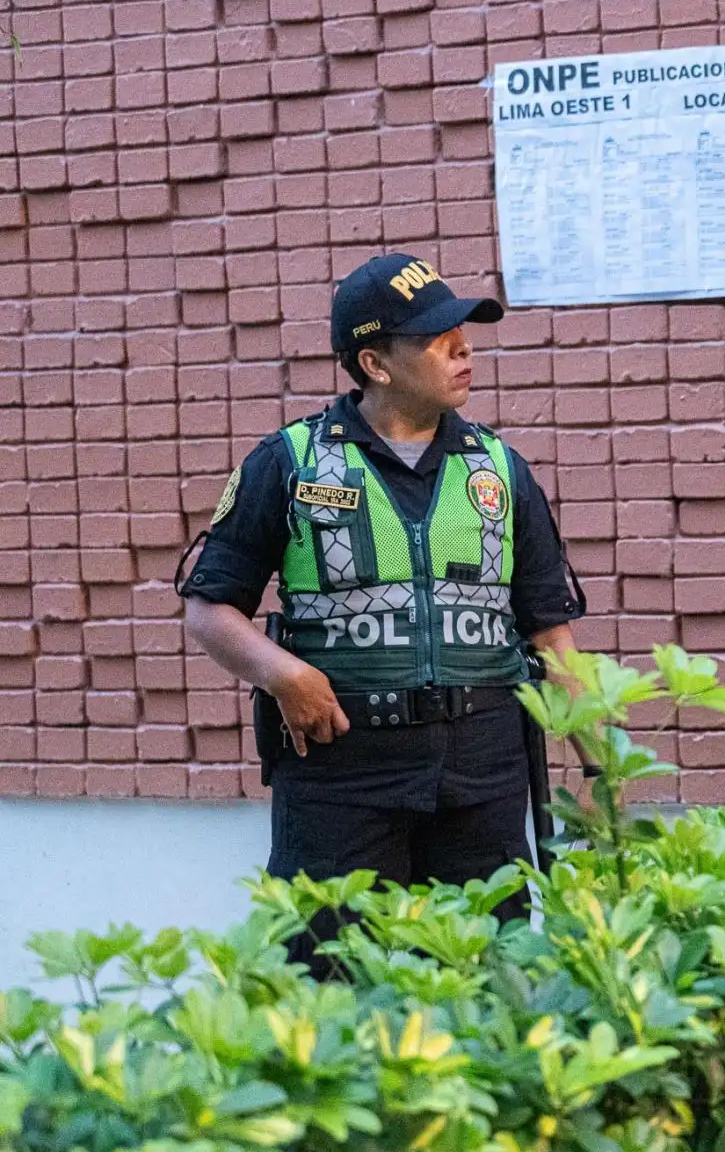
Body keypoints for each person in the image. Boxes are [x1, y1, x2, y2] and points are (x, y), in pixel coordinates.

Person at [177, 253, 584, 953]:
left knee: (486, 985)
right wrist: (286, 676)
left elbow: (551, 635)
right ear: (375, 363)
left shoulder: (501, 469)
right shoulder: (291, 463)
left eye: (461, 330)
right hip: (342, 779)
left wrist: (605, 770)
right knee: (329, 983)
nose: (462, 348)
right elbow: (209, 610)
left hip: (483, 779)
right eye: (435, 337)